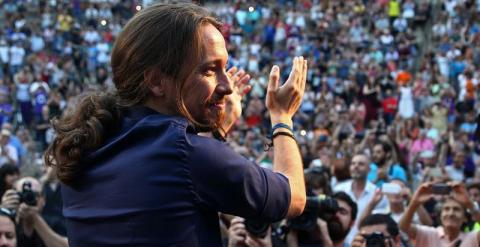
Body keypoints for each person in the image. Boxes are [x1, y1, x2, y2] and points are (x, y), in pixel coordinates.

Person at [44, 3, 307, 246]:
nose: (227, 86)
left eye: (224, 67)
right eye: (209, 70)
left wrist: (217, 130)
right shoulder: (186, 153)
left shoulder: (84, 147)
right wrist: (282, 116)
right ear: (157, 81)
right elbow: (293, 197)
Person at [399, 182, 479, 247]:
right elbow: (404, 227)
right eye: (446, 209)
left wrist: (469, 204)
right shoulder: (429, 234)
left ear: (464, 218)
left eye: (456, 209)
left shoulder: (472, 238)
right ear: (440, 216)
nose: (451, 214)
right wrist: (414, 203)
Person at [334, 154, 388, 245]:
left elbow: (380, 225)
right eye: (353, 163)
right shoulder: (338, 189)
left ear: (369, 169)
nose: (356, 166)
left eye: (361, 164)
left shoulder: (377, 194)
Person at [1, 177, 68, 247]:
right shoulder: (8, 223)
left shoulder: (55, 223)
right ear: (14, 196)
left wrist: (36, 219)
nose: (27, 198)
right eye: (22, 194)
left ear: (44, 200)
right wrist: (3, 211)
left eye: (34, 195)